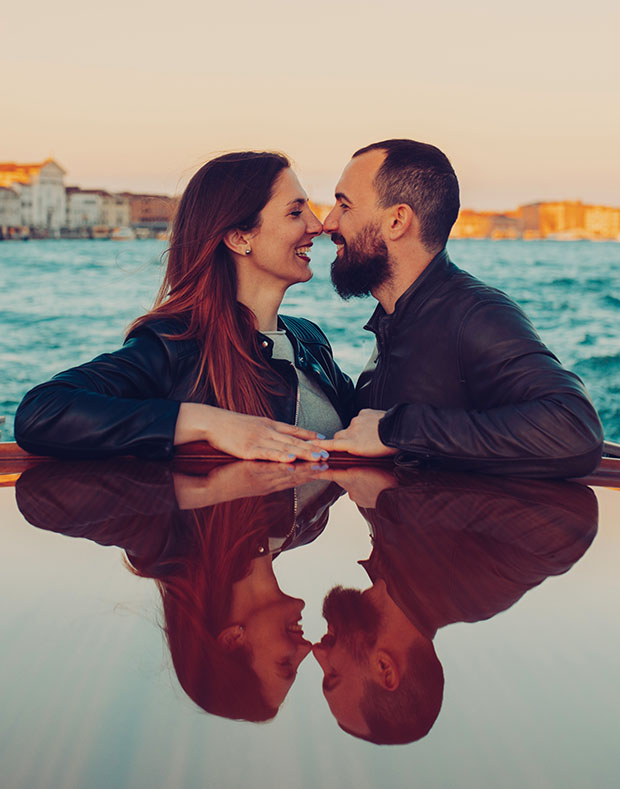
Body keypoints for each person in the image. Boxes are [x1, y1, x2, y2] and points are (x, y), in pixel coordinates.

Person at [15, 152, 354, 461]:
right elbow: (42, 411)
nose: (317, 225)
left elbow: (368, 427)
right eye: (295, 212)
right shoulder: (178, 343)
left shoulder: (309, 339)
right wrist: (206, 423)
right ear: (239, 238)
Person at [313, 139, 604, 477]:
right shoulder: (394, 320)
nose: (328, 223)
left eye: (344, 206)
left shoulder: (476, 314)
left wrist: (394, 430)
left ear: (397, 222)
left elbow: (574, 428)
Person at [17, 456, 343, 721]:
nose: (306, 651)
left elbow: (39, 498)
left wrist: (198, 488)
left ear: (232, 639)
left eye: (285, 664)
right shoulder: (310, 525)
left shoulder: (165, 538)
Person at [312, 466, 598, 744]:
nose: (317, 653)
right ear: (385, 668)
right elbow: (573, 524)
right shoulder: (471, 591)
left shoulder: (387, 568)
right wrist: (391, 498)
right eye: (333, 675)